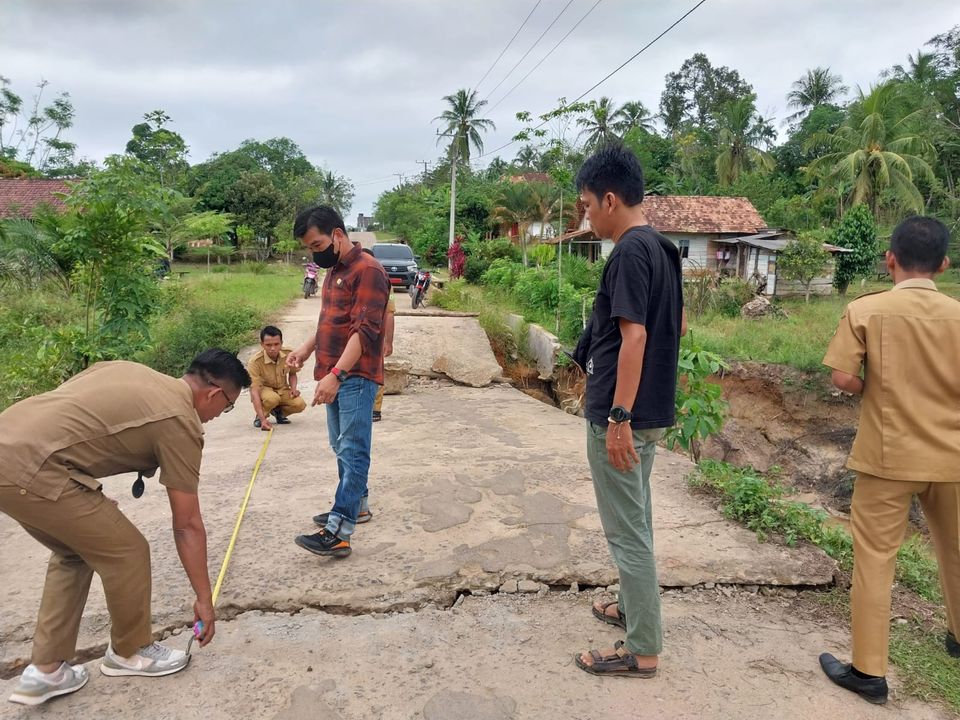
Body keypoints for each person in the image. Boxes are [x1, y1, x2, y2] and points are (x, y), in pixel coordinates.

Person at [0, 349, 251, 706]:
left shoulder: (131, 371)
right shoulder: (181, 421)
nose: (217, 416)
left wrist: (83, 495)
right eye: (226, 407)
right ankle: (130, 652)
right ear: (213, 393)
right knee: (129, 551)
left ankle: (46, 671)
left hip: (9, 448)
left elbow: (72, 425)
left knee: (74, 551)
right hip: (35, 469)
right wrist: (204, 599)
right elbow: (188, 526)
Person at [819, 215, 960, 705]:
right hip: (953, 457)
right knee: (957, 549)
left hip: (887, 455)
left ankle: (869, 673)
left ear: (890, 260)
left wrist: (875, 388)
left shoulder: (866, 310)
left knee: (876, 560)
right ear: (943, 264)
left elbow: (841, 377)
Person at [570, 145, 685, 678]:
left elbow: (634, 335)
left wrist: (618, 416)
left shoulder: (629, 253)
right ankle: (628, 605)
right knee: (637, 518)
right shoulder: (663, 249)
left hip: (625, 417)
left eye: (588, 204)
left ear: (610, 199)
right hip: (653, 411)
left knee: (627, 532)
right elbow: (674, 330)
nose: (585, 216)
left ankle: (642, 649)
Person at [286, 206, 390, 558]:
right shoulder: (334, 272)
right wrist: (303, 351)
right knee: (340, 446)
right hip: (334, 374)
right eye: (310, 248)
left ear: (338, 235)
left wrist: (336, 375)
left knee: (353, 449)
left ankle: (339, 531)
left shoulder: (369, 271)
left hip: (355, 377)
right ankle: (357, 506)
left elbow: (364, 332)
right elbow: (329, 321)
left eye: (317, 244)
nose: (316, 252)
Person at [246, 325, 306, 430]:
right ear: (262, 345)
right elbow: (254, 391)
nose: (273, 348)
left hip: (282, 389)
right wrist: (263, 419)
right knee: (272, 399)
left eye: (276, 344)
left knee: (300, 404)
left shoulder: (289, 354)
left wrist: (293, 389)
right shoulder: (255, 362)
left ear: (281, 343)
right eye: (268, 345)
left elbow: (292, 373)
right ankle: (261, 417)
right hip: (264, 390)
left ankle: (278, 412)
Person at [360, 247, 396, 422]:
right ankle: (371, 407)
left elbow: (389, 314)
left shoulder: (382, 280)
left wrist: (388, 342)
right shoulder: (381, 277)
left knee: (374, 369)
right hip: (356, 335)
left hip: (374, 336)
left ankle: (374, 408)